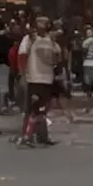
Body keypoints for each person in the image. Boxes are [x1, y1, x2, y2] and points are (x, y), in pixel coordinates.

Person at [20, 17, 59, 148]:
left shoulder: (51, 41)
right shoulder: (30, 39)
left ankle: (42, 135)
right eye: (40, 23)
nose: (42, 25)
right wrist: (22, 75)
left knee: (44, 108)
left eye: (45, 23)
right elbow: (22, 56)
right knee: (34, 109)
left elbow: (56, 58)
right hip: (34, 78)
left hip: (48, 79)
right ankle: (27, 136)